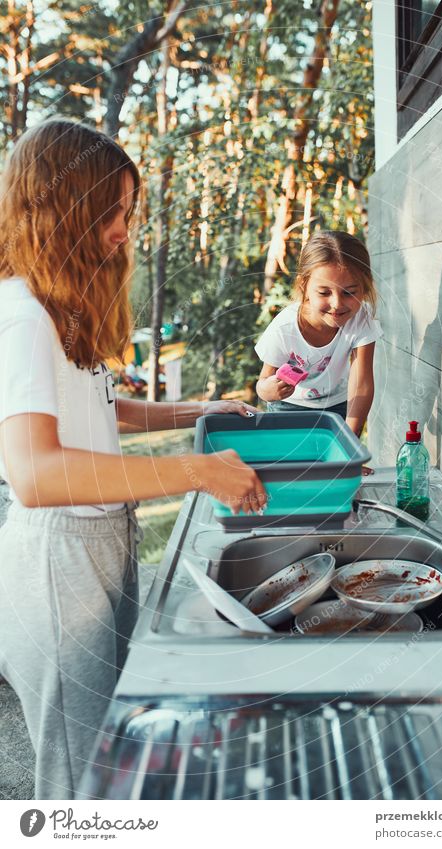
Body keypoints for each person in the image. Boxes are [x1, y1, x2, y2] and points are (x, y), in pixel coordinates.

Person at [0, 119, 266, 800]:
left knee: (110, 749)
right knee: (77, 777)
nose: (123, 230)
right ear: (64, 207)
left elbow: (102, 411)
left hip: (100, 542)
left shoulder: (58, 308)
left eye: (126, 212)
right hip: (58, 561)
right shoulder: (20, 315)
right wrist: (194, 470)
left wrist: (200, 412)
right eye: (111, 211)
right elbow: (35, 474)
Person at [255, 230, 382, 472]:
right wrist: (269, 390)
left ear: (364, 288)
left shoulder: (361, 318)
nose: (337, 304)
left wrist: (348, 450)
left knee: (333, 471)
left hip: (338, 406)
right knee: (294, 471)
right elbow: (262, 385)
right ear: (305, 286)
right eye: (324, 293)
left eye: (350, 292)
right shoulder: (284, 328)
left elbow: (362, 384)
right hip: (288, 408)